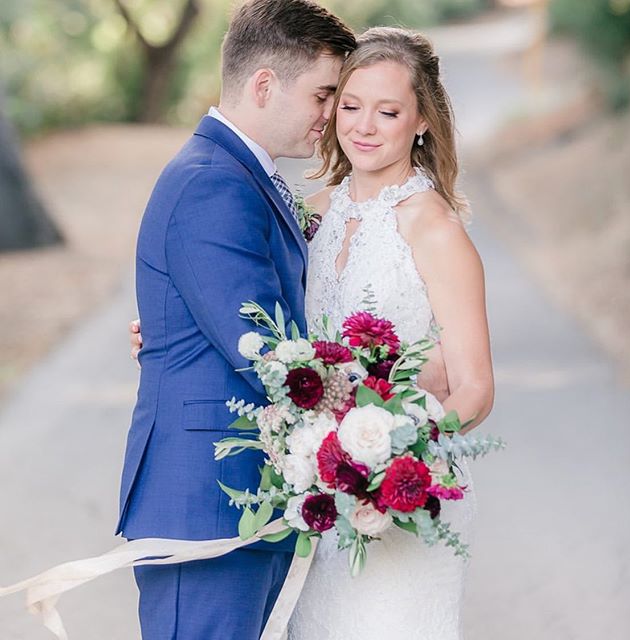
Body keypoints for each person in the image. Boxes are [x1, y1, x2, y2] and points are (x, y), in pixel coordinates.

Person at [129, 23, 493, 640]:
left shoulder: (435, 228)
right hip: (317, 495)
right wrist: (172, 322)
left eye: (388, 111)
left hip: (389, 491)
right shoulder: (315, 213)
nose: (361, 125)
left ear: (423, 120)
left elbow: (476, 387)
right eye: (346, 104)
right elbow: (266, 324)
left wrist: (394, 456)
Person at [118, 1, 355, 638]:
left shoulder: (242, 174)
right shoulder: (212, 183)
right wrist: (377, 412)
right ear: (264, 85)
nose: (331, 114)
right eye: (323, 94)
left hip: (242, 497)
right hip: (209, 500)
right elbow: (267, 352)